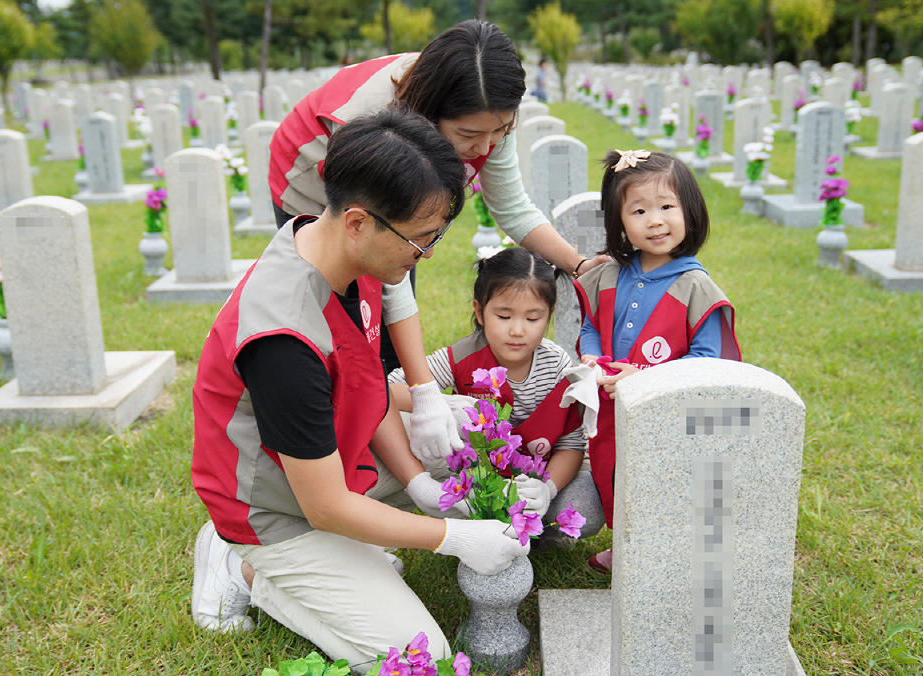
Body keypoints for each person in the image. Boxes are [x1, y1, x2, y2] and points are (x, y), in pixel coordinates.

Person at [189, 108, 529, 668]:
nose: (428, 254)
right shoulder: (285, 341)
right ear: (357, 222)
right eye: (420, 240)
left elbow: (361, 388)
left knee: (472, 426)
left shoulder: (344, 254)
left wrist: (423, 467)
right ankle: (246, 568)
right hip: (282, 512)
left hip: (329, 461)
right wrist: (451, 537)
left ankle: (348, 557)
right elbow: (322, 507)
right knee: (423, 659)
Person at [269, 19, 608, 465]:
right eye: (468, 136)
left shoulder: (486, 112)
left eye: (500, 130)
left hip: (390, 213)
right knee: (341, 318)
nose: (484, 146)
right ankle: (330, 443)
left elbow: (513, 208)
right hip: (309, 185)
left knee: (384, 334)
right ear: (430, 112)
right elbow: (387, 259)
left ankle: (382, 433)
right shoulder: (371, 123)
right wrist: (426, 392)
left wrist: (580, 265)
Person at [575, 150, 741, 572]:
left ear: (691, 212)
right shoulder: (610, 275)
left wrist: (646, 376)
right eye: (639, 210)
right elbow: (592, 325)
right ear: (619, 222)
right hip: (614, 407)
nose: (655, 220)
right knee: (617, 473)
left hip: (671, 416)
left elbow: (709, 361)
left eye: (667, 207)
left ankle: (661, 551)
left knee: (665, 481)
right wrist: (593, 357)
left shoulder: (695, 286)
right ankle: (628, 545)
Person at [387, 247, 603, 546]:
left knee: (587, 507)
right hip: (482, 481)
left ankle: (537, 532)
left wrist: (547, 490)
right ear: (479, 311)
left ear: (549, 316)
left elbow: (572, 445)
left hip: (537, 480)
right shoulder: (462, 356)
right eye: (503, 315)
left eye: (532, 318)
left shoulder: (558, 367)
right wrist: (438, 402)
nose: (517, 330)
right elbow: (387, 390)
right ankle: (484, 535)